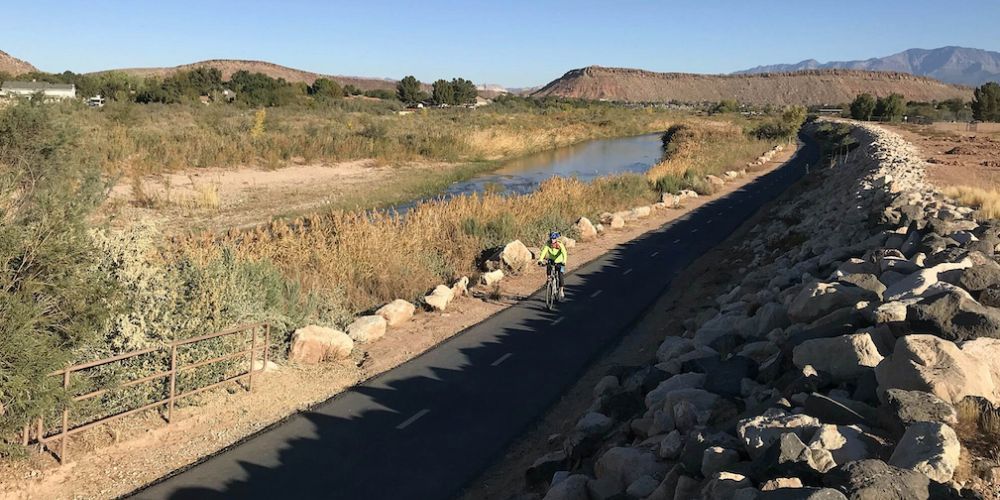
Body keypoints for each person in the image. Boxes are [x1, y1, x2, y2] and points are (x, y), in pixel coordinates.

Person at [537, 231, 567, 300]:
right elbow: (544, 251)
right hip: (552, 259)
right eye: (551, 238)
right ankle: (549, 280)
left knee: (560, 275)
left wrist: (564, 262)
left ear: (556, 239)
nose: (552, 240)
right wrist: (540, 260)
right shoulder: (548, 244)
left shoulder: (560, 244)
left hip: (560, 261)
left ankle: (561, 290)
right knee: (548, 266)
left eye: (554, 239)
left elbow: (564, 253)